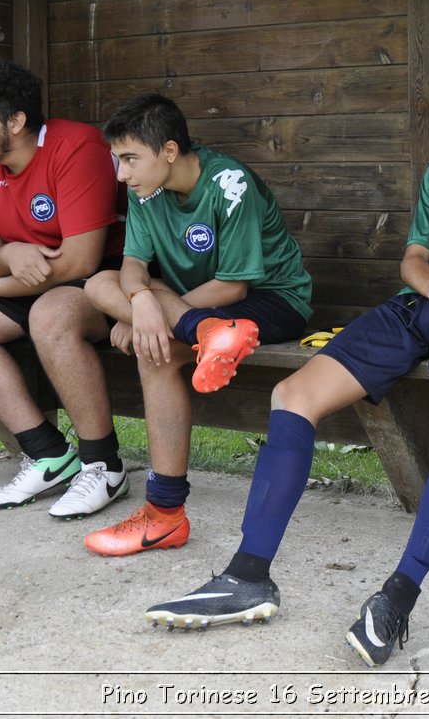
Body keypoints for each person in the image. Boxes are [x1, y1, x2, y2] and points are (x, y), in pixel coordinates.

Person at [144, 58, 429, 669]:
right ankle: (247, 575)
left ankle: (399, 594)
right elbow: (414, 260)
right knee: (292, 396)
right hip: (423, 306)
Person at [78, 92, 314, 558]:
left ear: (169, 151)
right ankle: (204, 334)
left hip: (273, 302)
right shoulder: (146, 189)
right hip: (199, 313)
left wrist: (158, 315)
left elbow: (233, 288)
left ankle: (164, 515)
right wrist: (141, 304)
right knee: (97, 284)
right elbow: (130, 269)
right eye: (117, 160)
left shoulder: (230, 183)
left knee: (154, 350)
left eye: (129, 159)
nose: (121, 173)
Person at [0, 59, 128, 520]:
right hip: (31, 277)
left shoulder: (76, 145)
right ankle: (49, 455)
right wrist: (10, 255)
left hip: (106, 276)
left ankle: (103, 466)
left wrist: (2, 281)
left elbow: (81, 260)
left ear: (15, 122)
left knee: (52, 316)